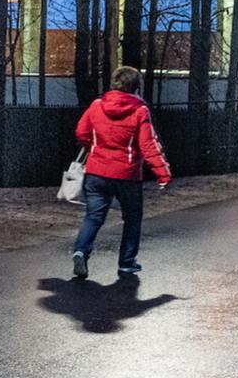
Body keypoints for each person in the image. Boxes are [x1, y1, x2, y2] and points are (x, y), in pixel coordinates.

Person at [70, 65, 172, 279]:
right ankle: (126, 263)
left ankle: (81, 251)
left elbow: (81, 132)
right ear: (136, 87)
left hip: (96, 172)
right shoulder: (139, 110)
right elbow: (148, 145)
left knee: (94, 216)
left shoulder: (97, 105)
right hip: (127, 175)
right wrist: (163, 173)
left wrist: (94, 148)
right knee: (133, 217)